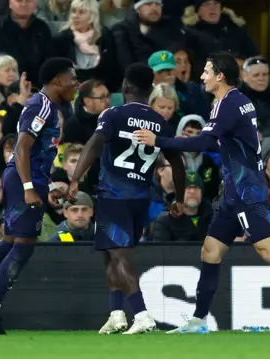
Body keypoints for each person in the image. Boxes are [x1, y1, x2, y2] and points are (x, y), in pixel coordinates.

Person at [135, 51, 270, 334]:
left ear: (220, 75)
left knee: (269, 251)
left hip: (246, 190)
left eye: (207, 71)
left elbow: (204, 141)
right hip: (235, 191)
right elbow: (214, 145)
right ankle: (198, 321)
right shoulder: (230, 102)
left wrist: (158, 141)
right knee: (210, 251)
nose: (202, 76)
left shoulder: (229, 104)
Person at [0, 57, 78, 335]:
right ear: (57, 80)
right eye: (72, 78)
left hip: (29, 178)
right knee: (24, 244)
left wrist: (49, 187)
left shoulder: (49, 106)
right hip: (22, 179)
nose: (75, 83)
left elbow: (38, 153)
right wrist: (29, 186)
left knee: (9, 241)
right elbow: (21, 148)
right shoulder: (41, 105)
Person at [65, 63, 186, 334]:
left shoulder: (114, 114)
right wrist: (177, 197)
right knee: (111, 252)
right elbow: (177, 163)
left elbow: (95, 143)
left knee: (119, 254)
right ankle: (117, 313)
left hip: (114, 195)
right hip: (141, 197)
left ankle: (141, 314)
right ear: (150, 90)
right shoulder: (160, 123)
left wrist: (75, 179)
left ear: (125, 87)